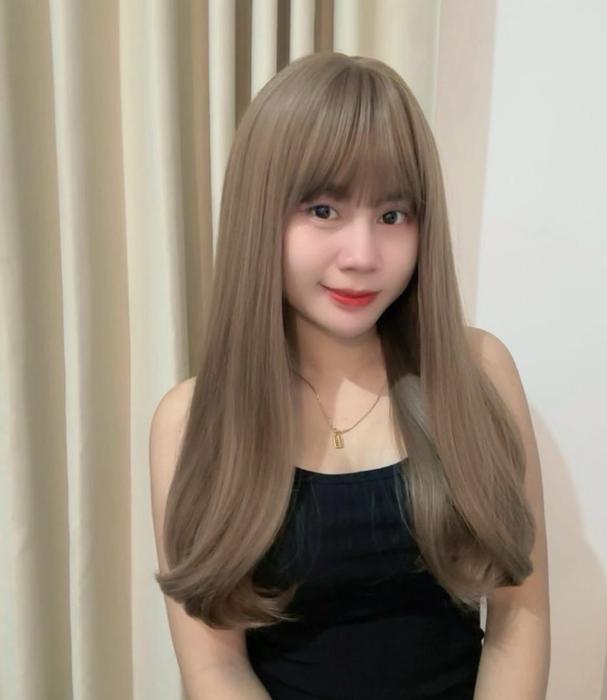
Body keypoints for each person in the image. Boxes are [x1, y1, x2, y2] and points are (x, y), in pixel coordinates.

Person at [149, 51, 550, 700]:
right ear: (260, 214)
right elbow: (214, 668)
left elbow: (520, 615)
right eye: (323, 210)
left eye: (392, 215)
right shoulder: (192, 422)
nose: (362, 256)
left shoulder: (478, 373)